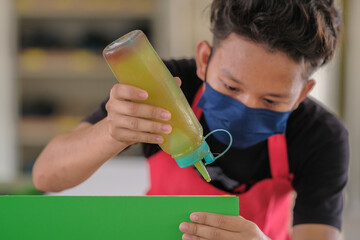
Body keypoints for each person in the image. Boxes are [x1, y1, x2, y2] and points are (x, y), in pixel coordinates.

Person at [32, 0, 349, 239]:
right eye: (230, 86)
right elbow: (46, 177)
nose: (245, 106)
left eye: (272, 99)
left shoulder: (321, 136)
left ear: (303, 92)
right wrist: (112, 133)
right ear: (203, 60)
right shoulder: (163, 87)